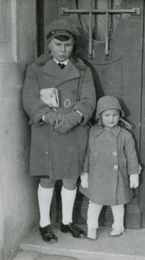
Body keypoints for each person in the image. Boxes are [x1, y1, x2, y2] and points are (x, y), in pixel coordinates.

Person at [22, 18, 96, 243]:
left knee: (71, 178)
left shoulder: (83, 69)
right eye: (58, 44)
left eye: (68, 45)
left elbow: (88, 99)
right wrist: (53, 118)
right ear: (50, 44)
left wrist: (74, 118)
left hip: (73, 131)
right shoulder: (36, 68)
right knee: (47, 178)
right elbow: (30, 99)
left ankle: (66, 222)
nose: (63, 50)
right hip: (47, 132)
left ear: (73, 46)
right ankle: (45, 223)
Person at [80, 96, 141, 240]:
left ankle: (118, 226)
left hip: (117, 175)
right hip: (97, 175)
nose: (111, 119)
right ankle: (91, 227)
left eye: (115, 115)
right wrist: (84, 173)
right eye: (107, 115)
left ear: (120, 116)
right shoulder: (92, 132)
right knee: (95, 202)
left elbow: (132, 156)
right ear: (100, 116)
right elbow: (87, 153)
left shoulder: (125, 135)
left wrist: (134, 174)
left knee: (118, 203)